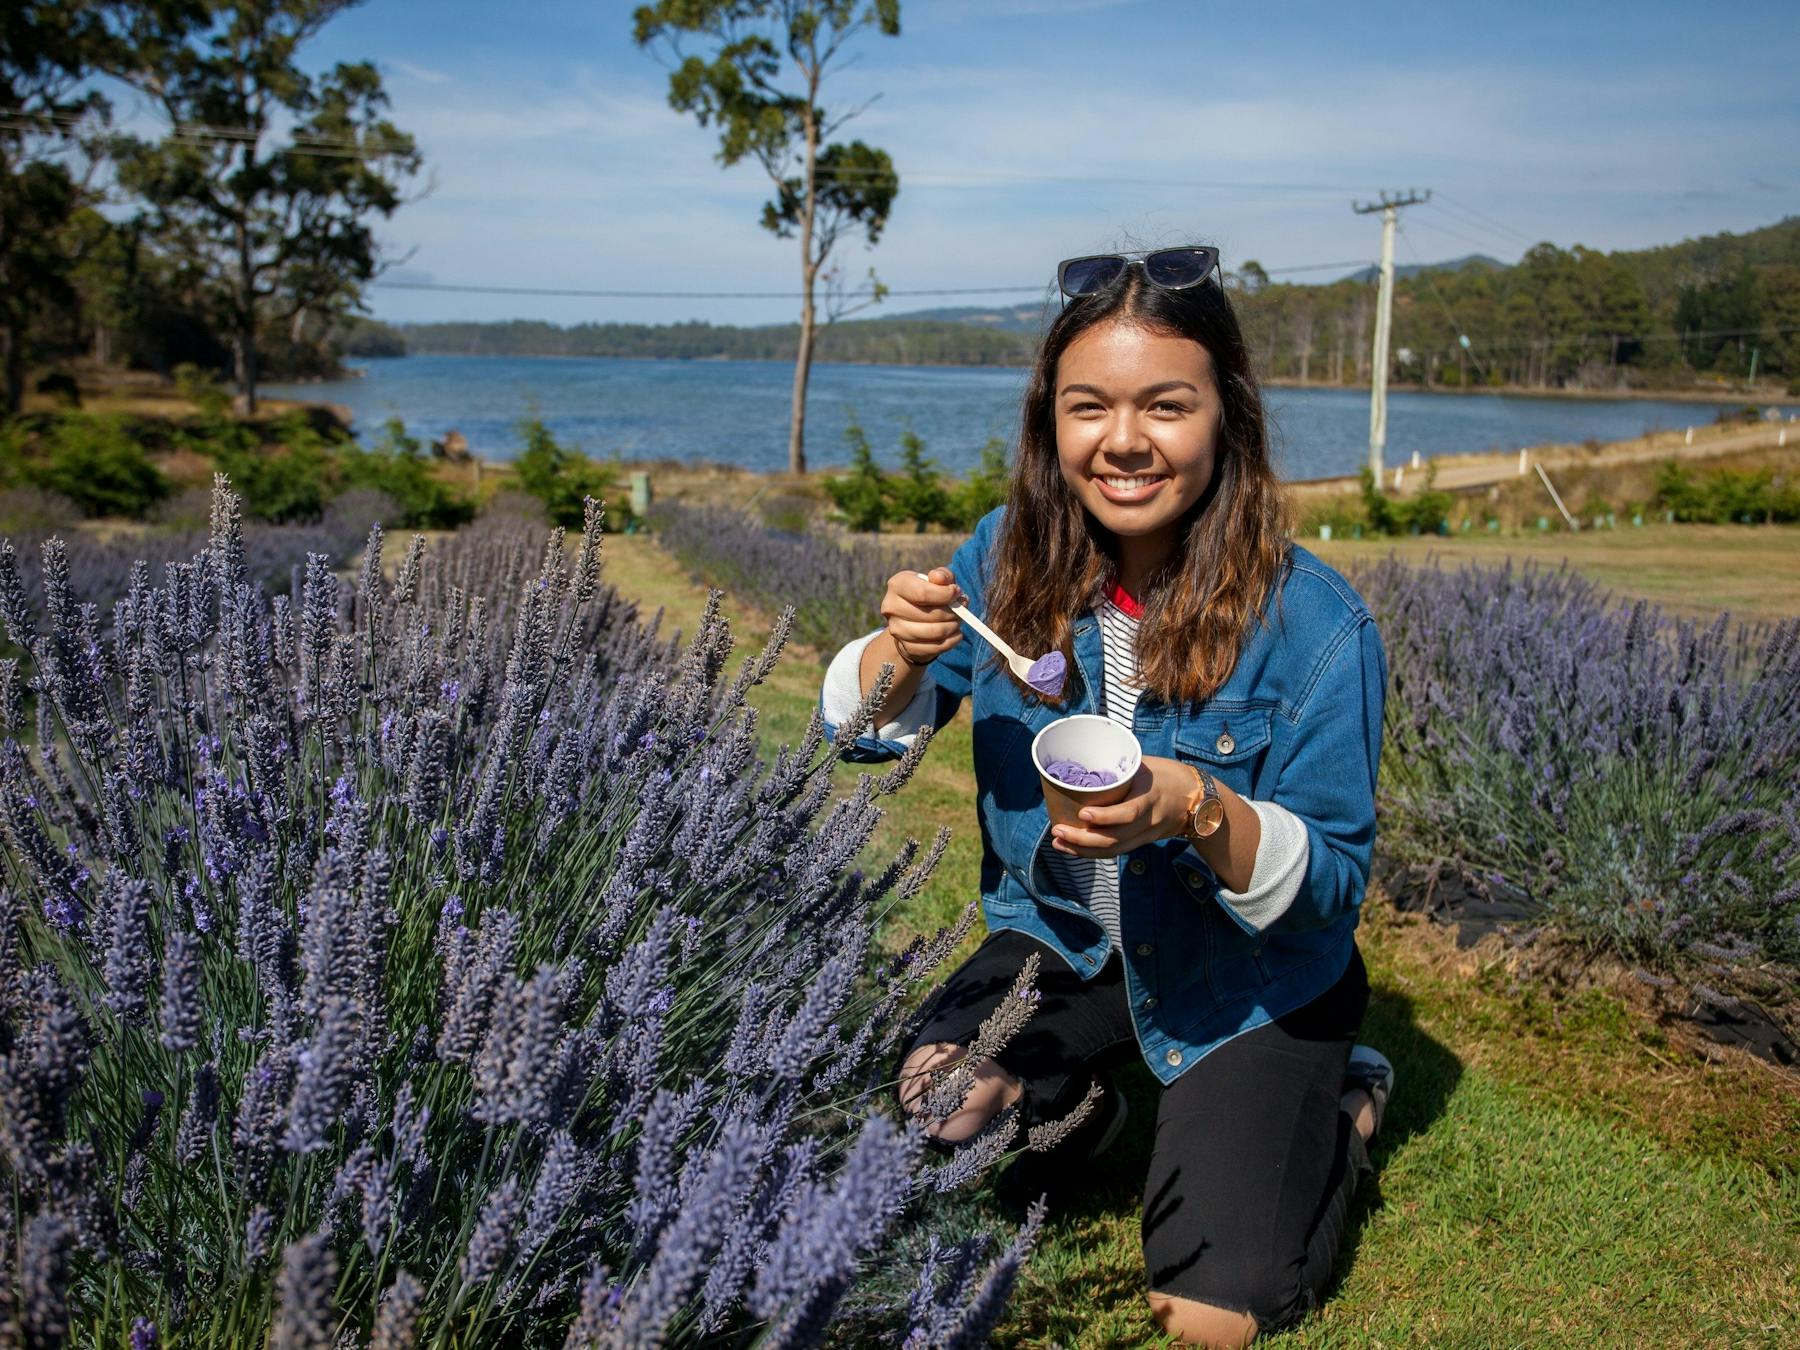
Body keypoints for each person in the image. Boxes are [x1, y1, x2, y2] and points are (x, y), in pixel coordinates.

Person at [816, 245, 1393, 1348]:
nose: (1123, 441)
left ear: (1225, 415)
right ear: (1051, 423)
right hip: (1067, 939)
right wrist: (898, 647)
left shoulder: (1319, 626)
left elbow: (1331, 884)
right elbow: (860, 738)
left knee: (1208, 1316)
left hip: (1246, 976)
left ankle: (1345, 1113)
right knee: (942, 1106)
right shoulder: (1005, 558)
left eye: (1165, 406)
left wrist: (1195, 809)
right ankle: (1083, 1112)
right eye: (1089, 407)